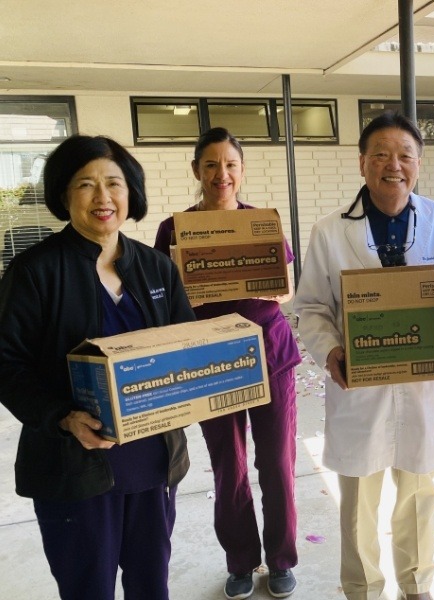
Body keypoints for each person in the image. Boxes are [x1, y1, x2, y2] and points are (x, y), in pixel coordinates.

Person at [0, 135, 195, 599]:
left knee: (152, 585)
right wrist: (62, 417)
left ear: (132, 192)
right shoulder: (35, 271)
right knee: (88, 589)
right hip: (74, 470)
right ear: (64, 196)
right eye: (86, 185)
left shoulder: (155, 267)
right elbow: (6, 363)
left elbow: (187, 345)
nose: (103, 197)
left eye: (115, 183)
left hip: (152, 462)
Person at [293, 112, 434, 600]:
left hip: (422, 388)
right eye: (380, 155)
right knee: (357, 508)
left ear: (418, 163)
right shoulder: (331, 231)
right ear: (362, 163)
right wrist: (331, 352)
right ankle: (363, 591)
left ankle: (417, 589)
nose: (393, 165)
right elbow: (310, 306)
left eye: (404, 155)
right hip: (360, 390)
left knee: (418, 501)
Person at [154, 128, 301, 600]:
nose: (223, 174)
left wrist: (271, 287)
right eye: (212, 165)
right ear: (197, 170)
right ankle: (240, 560)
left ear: (242, 170)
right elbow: (166, 298)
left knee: (276, 463)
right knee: (228, 466)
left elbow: (287, 288)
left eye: (231, 164)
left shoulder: (261, 222)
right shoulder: (173, 229)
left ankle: (280, 559)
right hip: (211, 361)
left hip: (269, 355)